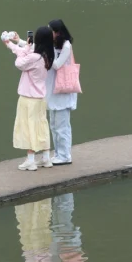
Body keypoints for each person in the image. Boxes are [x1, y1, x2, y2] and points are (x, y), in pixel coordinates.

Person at [3, 27, 54, 169]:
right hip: (40, 98)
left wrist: (21, 47)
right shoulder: (47, 55)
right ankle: (46, 158)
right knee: (41, 125)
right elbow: (24, 51)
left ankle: (30, 160)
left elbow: (19, 63)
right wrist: (11, 44)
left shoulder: (34, 57)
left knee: (28, 127)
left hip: (28, 97)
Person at [46, 19, 78, 165]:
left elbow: (57, 65)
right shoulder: (52, 45)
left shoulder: (66, 46)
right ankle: (58, 153)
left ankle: (65, 156)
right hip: (53, 91)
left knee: (62, 126)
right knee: (53, 125)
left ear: (58, 32)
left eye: (51, 30)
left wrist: (46, 54)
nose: (49, 33)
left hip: (63, 91)